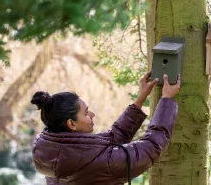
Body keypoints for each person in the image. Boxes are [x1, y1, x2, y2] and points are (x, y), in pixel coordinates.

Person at [31, 72, 181, 185]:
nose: (92, 114)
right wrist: (166, 100)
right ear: (71, 124)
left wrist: (140, 99)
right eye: (86, 113)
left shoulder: (51, 153)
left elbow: (111, 140)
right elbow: (152, 147)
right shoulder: (103, 162)